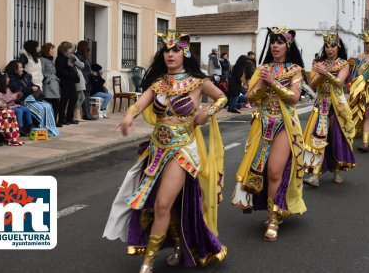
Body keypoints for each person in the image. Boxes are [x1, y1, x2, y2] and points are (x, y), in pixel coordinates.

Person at [104, 30, 227, 271]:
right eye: (166, 50)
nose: (170, 54)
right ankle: (180, 244)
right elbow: (139, 104)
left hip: (181, 150)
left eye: (175, 50)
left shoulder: (197, 81)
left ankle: (148, 263)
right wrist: (129, 117)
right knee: (165, 204)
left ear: (185, 53)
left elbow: (222, 97)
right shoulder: (159, 83)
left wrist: (205, 114)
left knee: (162, 204)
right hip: (156, 150)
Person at [232, 26, 306, 242]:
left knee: (275, 171)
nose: (275, 45)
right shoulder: (262, 68)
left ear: (288, 45)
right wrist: (263, 84)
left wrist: (273, 82)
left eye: (280, 41)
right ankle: (270, 211)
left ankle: (274, 219)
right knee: (259, 170)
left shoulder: (295, 70)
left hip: (284, 124)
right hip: (262, 124)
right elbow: (251, 98)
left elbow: (294, 98)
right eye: (273, 41)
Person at [303, 32, 355, 187]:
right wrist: (320, 73)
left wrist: (325, 73)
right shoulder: (318, 63)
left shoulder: (343, 64)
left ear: (338, 47)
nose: (329, 49)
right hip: (322, 105)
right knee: (319, 138)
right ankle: (315, 175)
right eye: (327, 46)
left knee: (335, 138)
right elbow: (312, 85)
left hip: (337, 107)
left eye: (332, 46)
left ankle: (336, 171)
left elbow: (339, 83)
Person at [5, 60, 59, 137]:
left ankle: (48, 127)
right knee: (40, 108)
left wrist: (36, 87)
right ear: (15, 69)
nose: (22, 69)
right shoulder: (11, 79)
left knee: (47, 106)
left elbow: (31, 85)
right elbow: (18, 90)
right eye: (20, 67)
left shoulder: (24, 76)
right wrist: (31, 89)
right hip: (23, 100)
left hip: (32, 98)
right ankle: (41, 127)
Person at [55, 41, 79, 125]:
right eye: (69, 48)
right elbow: (60, 71)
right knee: (64, 101)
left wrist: (74, 75)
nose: (71, 49)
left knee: (74, 99)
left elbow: (72, 68)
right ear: (65, 49)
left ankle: (70, 117)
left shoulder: (68, 57)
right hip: (65, 82)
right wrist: (70, 74)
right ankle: (62, 119)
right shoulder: (60, 58)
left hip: (71, 82)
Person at [40, 42, 61, 127]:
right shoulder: (43, 59)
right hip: (48, 85)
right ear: (47, 50)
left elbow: (53, 72)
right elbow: (41, 71)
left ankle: (54, 121)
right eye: (52, 49)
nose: (53, 51)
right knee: (48, 103)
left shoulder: (51, 60)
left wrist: (56, 79)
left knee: (56, 103)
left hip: (54, 84)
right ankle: (48, 122)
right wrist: (47, 80)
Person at [76, 40, 96, 120]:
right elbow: (82, 68)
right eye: (87, 46)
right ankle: (86, 114)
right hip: (84, 79)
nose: (88, 48)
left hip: (88, 78)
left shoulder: (84, 56)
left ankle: (88, 113)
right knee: (84, 97)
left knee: (87, 97)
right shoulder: (79, 56)